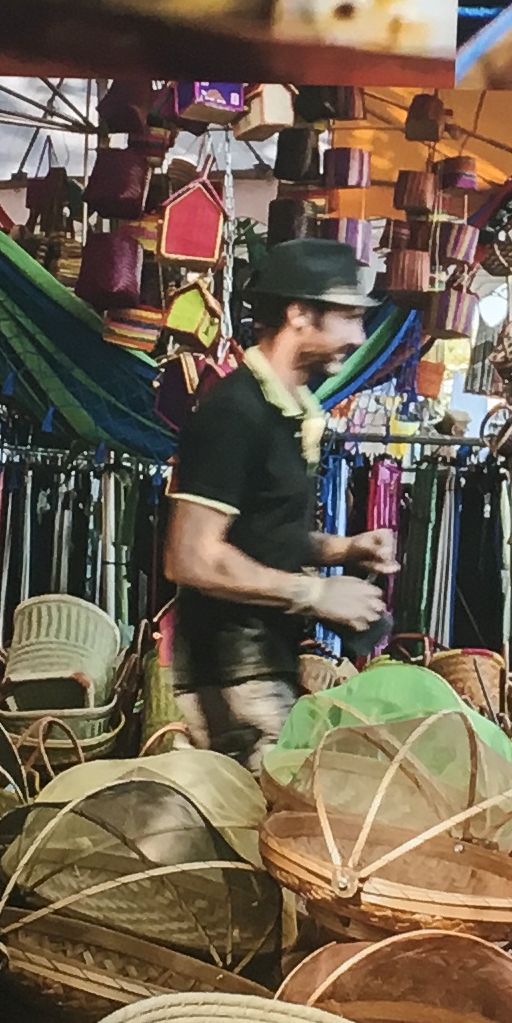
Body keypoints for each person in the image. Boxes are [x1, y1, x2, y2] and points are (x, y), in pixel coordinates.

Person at [162, 237, 393, 761]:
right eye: (348, 318)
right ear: (298, 315)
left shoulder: (286, 411)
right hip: (230, 673)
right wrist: (315, 595)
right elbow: (190, 556)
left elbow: (258, 532)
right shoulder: (235, 412)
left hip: (264, 660)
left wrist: (344, 548)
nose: (357, 336)